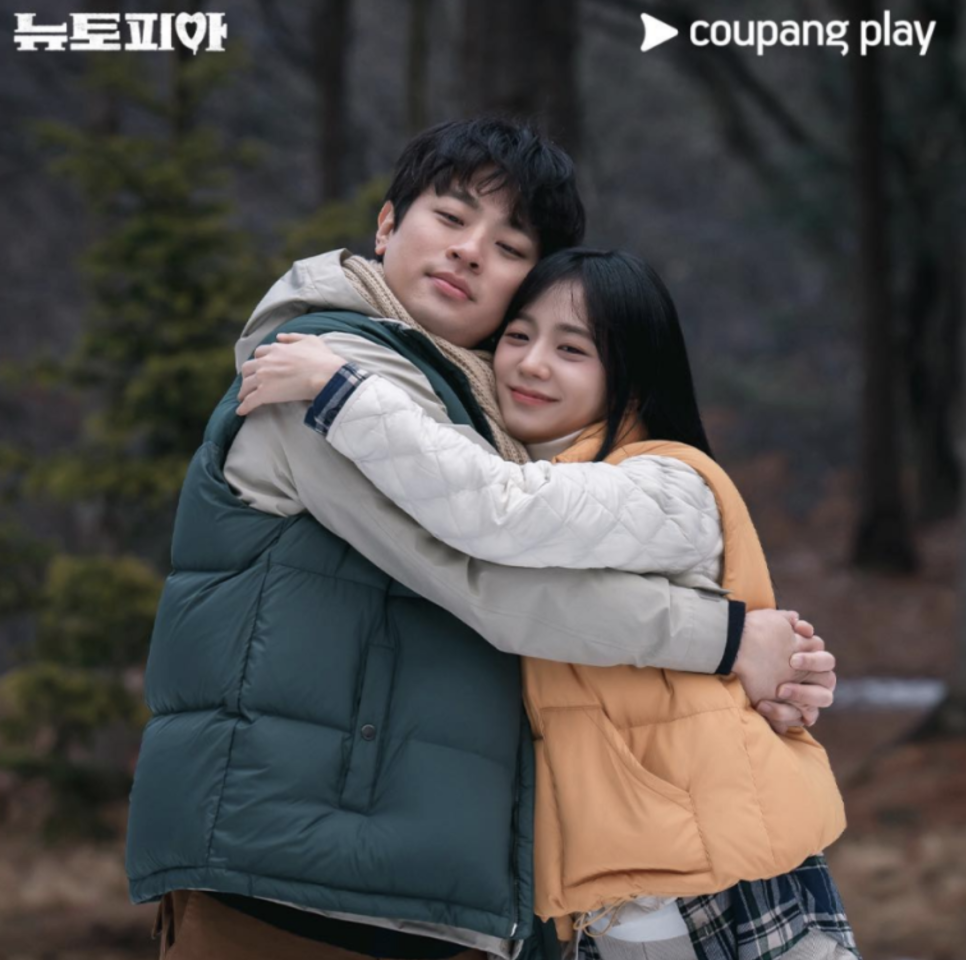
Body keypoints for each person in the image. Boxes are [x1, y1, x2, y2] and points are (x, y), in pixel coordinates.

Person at [125, 119, 836, 960]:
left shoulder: (484, 414)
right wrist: (728, 640)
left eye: (508, 247)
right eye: (451, 217)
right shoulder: (319, 374)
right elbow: (487, 583)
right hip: (287, 881)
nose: (469, 252)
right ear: (387, 225)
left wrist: (771, 665)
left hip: (437, 892)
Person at [236, 248, 858, 960]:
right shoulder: (545, 475)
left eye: (571, 349)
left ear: (631, 375)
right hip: (611, 882)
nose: (531, 364)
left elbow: (498, 511)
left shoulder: (668, 483)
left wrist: (343, 391)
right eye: (518, 336)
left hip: (711, 856)